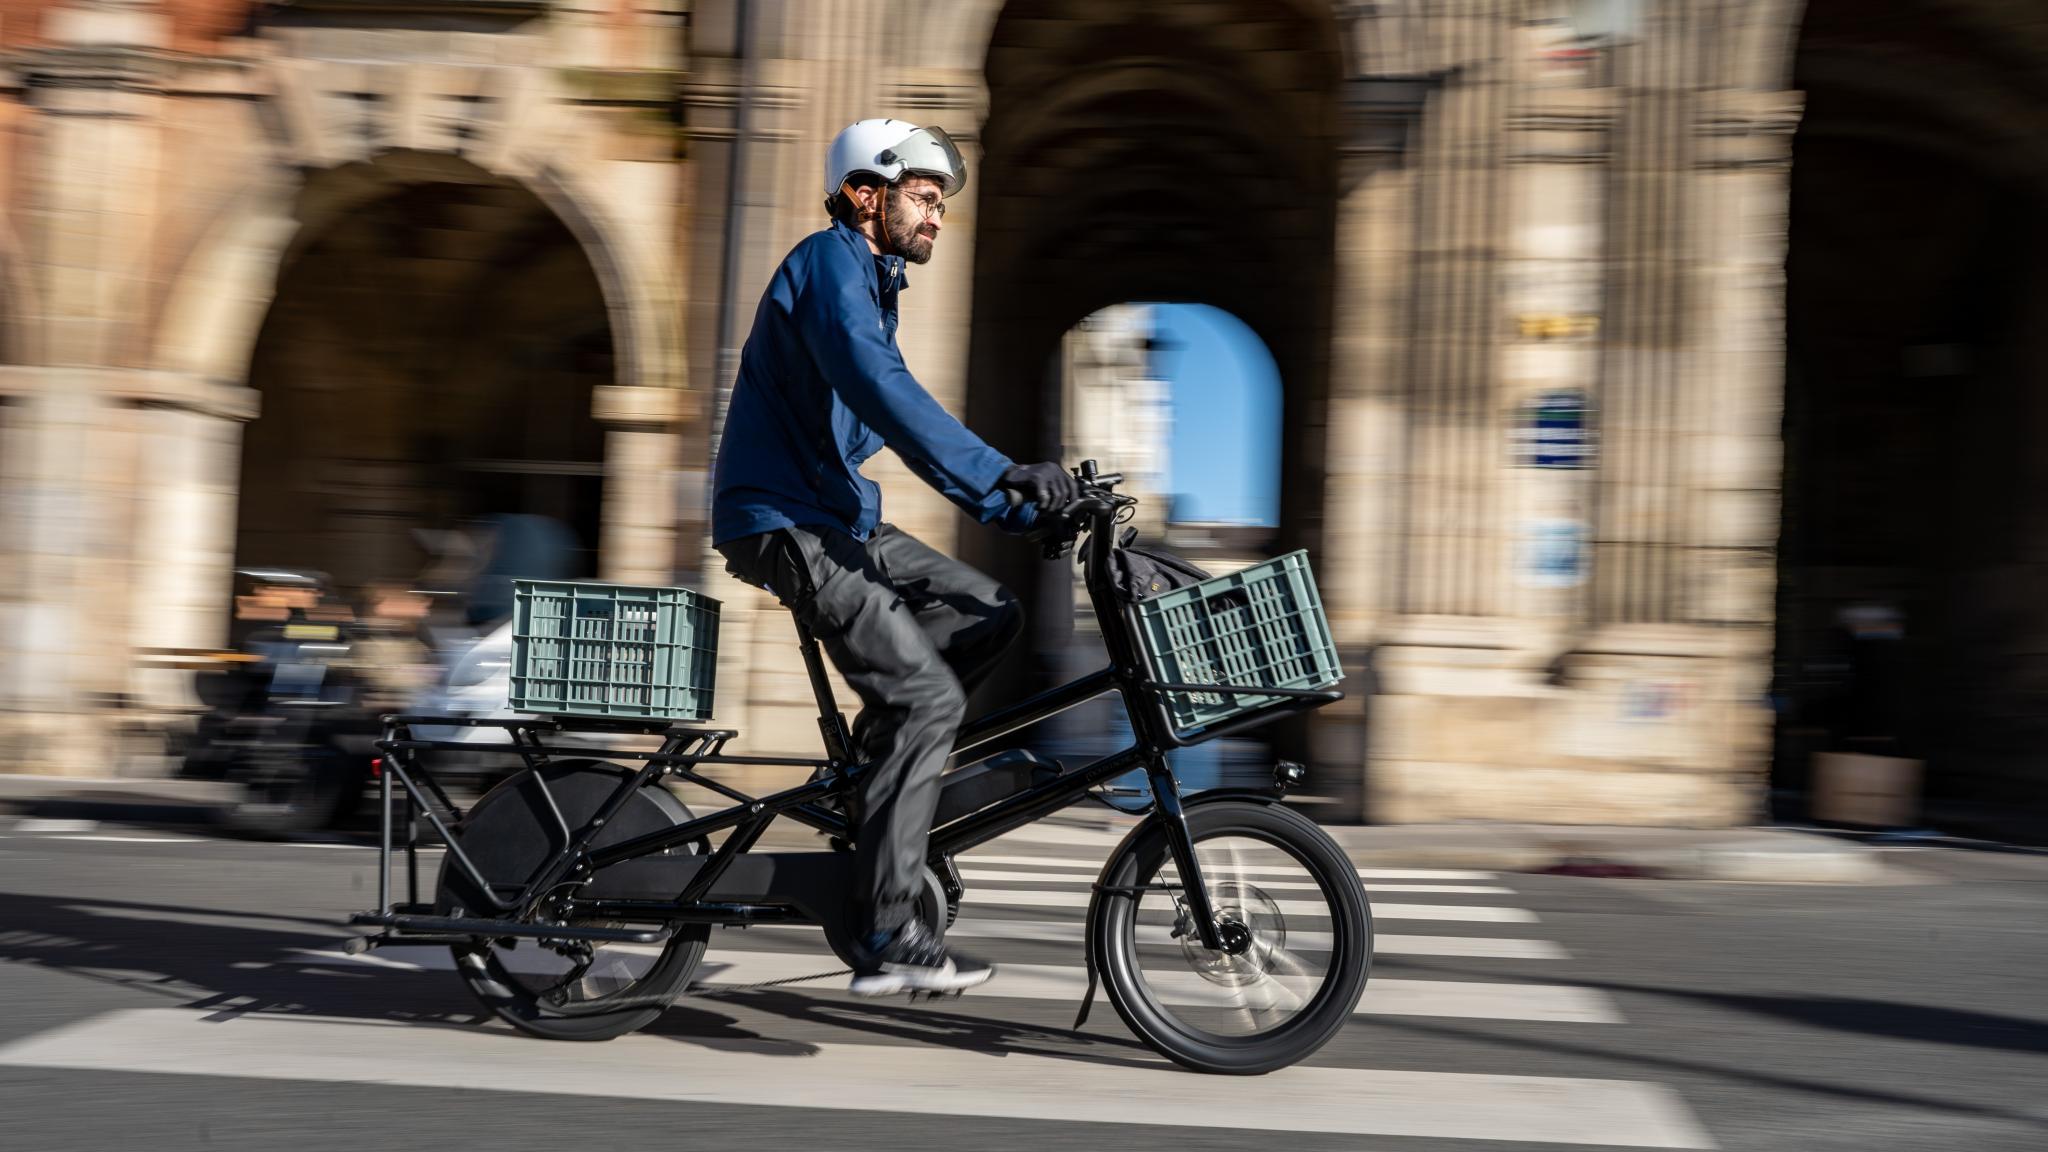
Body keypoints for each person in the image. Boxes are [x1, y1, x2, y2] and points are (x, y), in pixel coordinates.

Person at [711, 118, 1080, 996]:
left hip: (839, 516)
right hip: (786, 520)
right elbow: (885, 390)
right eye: (923, 197)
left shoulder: (874, 289)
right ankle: (885, 932)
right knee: (925, 697)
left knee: (992, 610)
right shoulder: (828, 265)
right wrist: (1001, 476)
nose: (938, 218)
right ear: (865, 194)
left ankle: (871, 780)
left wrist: (1016, 507)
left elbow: (890, 413)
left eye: (941, 203)